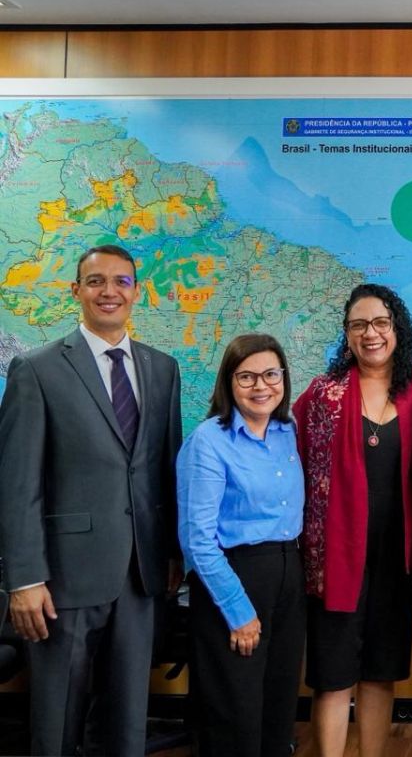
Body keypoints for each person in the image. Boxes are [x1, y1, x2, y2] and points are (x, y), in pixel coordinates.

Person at [0, 244, 182, 756]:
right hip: (64, 581)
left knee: (126, 724)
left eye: (121, 281)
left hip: (141, 576)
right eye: (96, 281)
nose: (109, 292)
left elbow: (165, 469)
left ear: (137, 292)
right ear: (75, 290)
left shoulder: (163, 369)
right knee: (57, 722)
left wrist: (172, 553)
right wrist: (25, 579)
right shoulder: (36, 370)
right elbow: (17, 484)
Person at [293, 284, 412, 757]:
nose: (370, 334)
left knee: (379, 673)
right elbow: (292, 463)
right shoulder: (323, 395)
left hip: (396, 561)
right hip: (335, 560)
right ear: (347, 334)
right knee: (333, 678)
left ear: (397, 328)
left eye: (380, 323)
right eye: (358, 325)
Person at [176, 333, 305, 757]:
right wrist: (238, 610)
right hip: (234, 578)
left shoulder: (288, 432)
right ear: (228, 383)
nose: (261, 386)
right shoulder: (209, 441)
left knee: (279, 705)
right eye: (246, 377)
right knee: (235, 713)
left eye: (271, 374)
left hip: (288, 575)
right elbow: (197, 540)